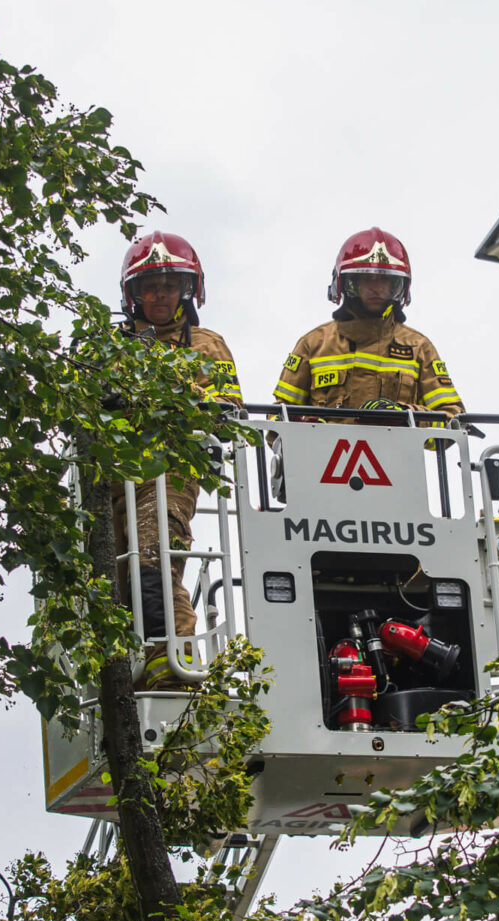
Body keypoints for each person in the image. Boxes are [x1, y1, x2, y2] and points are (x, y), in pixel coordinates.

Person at [114, 230, 241, 689]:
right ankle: (144, 660)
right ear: (134, 294)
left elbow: (231, 412)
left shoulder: (207, 345)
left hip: (174, 465)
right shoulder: (110, 346)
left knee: (153, 552)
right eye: (150, 287)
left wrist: (169, 388)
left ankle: (173, 658)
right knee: (119, 569)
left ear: (188, 291)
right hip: (111, 473)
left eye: (169, 286)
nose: (160, 295)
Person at [273, 227, 462, 417]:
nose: (376, 287)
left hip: (395, 448)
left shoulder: (418, 348)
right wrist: (308, 430)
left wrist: (405, 417)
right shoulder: (313, 345)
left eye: (385, 280)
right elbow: (277, 418)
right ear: (347, 282)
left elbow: (453, 417)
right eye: (367, 279)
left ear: (398, 286)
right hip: (325, 448)